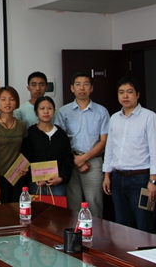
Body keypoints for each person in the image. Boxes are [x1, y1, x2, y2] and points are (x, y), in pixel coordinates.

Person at [102, 77, 156, 233]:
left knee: (144, 224)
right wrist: (107, 175)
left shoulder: (149, 117)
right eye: (121, 92)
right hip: (117, 178)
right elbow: (110, 148)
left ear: (138, 95)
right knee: (122, 225)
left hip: (140, 179)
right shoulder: (114, 118)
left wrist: (154, 181)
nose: (125, 96)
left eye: (129, 92)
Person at [55, 72, 109, 217]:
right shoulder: (64, 111)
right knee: (73, 205)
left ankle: (95, 231)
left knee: (94, 204)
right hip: (70, 161)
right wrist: (75, 159)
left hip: (93, 162)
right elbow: (60, 140)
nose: (82, 88)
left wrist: (83, 159)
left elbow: (104, 141)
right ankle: (76, 232)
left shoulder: (101, 111)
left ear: (91, 88)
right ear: (72, 88)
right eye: (78, 84)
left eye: (86, 84)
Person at [0, 86, 28, 203]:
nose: (7, 103)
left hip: (17, 176)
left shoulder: (21, 125)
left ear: (16, 102)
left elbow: (24, 150)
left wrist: (25, 167)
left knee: (17, 210)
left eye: (11, 99)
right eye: (3, 99)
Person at [22, 96, 73, 197]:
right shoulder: (30, 133)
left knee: (57, 208)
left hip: (58, 184)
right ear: (36, 112)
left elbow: (68, 158)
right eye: (42, 108)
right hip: (36, 184)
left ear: (54, 111)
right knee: (37, 208)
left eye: (49, 108)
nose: (46, 112)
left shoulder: (61, 134)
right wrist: (34, 176)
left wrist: (61, 178)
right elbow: (26, 158)